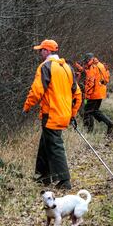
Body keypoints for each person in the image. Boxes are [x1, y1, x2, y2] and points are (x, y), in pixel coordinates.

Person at [23, 39, 82, 190]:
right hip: (63, 113)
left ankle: (64, 180)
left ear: (47, 51)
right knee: (46, 142)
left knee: (55, 145)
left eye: (41, 50)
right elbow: (77, 93)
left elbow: (37, 90)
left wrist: (27, 106)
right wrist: (72, 113)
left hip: (51, 114)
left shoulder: (45, 67)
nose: (39, 53)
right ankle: (44, 176)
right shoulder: (67, 67)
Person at [82, 53, 113, 134]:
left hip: (94, 93)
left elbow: (91, 83)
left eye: (86, 60)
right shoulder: (100, 65)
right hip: (101, 92)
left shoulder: (92, 67)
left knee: (87, 110)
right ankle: (109, 123)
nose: (86, 62)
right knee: (94, 110)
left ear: (89, 59)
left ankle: (89, 130)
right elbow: (106, 78)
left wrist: (87, 95)